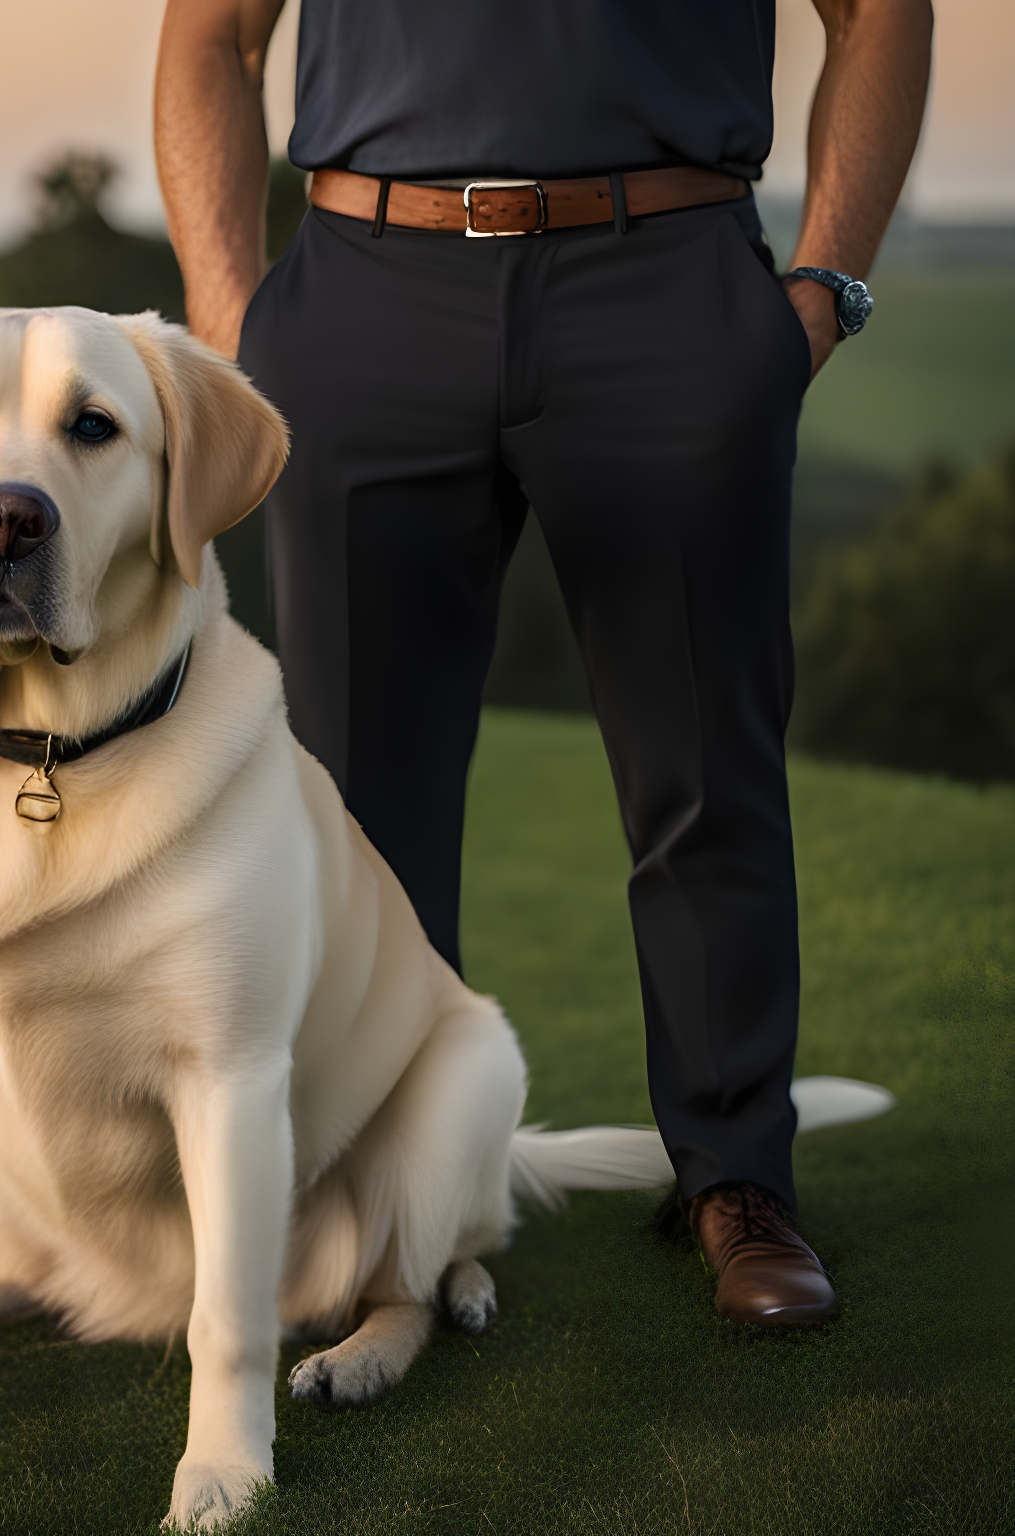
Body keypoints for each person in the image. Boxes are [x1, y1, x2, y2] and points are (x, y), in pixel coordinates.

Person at [153, 0, 932, 1328]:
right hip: (367, 290)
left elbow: (878, 14)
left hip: (667, 280)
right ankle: (375, 1202)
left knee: (704, 774)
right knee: (350, 809)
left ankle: (736, 1178)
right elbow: (211, 40)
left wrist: (820, 290)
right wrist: (239, 319)